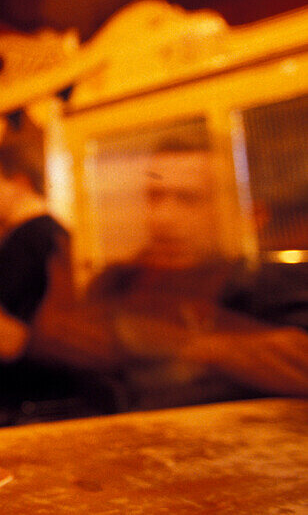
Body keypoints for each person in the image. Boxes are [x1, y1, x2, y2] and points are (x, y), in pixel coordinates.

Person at [30, 133, 308, 409]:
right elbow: (54, 357)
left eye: (189, 199)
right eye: (155, 196)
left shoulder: (271, 285)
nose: (162, 218)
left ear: (248, 217)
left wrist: (179, 342)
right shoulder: (120, 280)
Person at [0, 140, 114, 427]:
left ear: (20, 183)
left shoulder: (26, 241)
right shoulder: (55, 233)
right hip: (59, 401)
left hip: (27, 407)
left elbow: (9, 343)